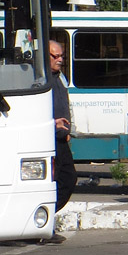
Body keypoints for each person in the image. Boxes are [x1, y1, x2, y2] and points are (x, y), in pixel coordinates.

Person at [49, 39, 76, 226]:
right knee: (52, 181)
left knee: (68, 178)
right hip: (46, 139)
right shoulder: (41, 80)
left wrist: (68, 130)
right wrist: (52, 124)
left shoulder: (60, 77)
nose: (60, 60)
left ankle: (45, 219)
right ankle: (39, 221)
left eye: (61, 56)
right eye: (55, 56)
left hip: (61, 140)